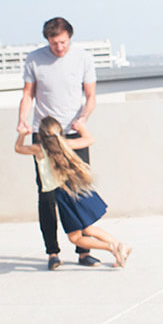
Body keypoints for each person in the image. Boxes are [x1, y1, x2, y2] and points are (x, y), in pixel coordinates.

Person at [18, 17, 98, 270]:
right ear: (47, 41)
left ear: (69, 38)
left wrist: (83, 118)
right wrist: (23, 121)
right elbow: (28, 95)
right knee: (47, 195)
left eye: (62, 42)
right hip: (45, 136)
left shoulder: (83, 58)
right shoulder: (34, 59)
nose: (59, 48)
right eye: (54, 43)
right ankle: (52, 252)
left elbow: (91, 95)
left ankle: (84, 251)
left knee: (77, 191)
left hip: (73, 135)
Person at [14, 117, 131, 267]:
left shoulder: (39, 149)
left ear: (40, 135)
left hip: (65, 196)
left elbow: (18, 148)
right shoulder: (67, 144)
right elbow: (89, 139)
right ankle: (121, 247)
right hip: (76, 190)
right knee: (88, 229)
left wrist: (22, 133)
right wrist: (80, 127)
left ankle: (113, 247)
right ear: (60, 132)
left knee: (75, 238)